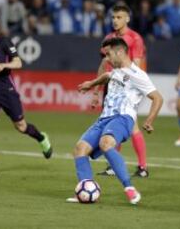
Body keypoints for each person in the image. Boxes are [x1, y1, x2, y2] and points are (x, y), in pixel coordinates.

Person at [67, 38, 163, 204]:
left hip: (123, 117)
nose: (107, 59)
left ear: (119, 52)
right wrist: (91, 84)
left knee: (106, 144)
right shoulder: (117, 71)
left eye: (109, 54)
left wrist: (149, 120)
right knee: (80, 149)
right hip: (104, 118)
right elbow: (106, 76)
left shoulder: (137, 75)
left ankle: (129, 188)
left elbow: (158, 98)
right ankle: (86, 189)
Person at [0, 14, 53, 173]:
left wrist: (3, 65)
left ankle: (41, 138)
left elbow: (18, 62)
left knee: (21, 126)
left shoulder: (4, 42)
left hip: (7, 91)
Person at [92, 4, 150, 177]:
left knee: (132, 126)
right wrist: (96, 91)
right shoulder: (109, 38)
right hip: (112, 85)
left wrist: (132, 88)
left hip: (128, 86)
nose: (115, 20)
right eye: (113, 17)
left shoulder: (135, 38)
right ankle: (113, 166)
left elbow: (137, 65)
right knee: (111, 124)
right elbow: (103, 65)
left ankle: (143, 167)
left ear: (127, 19)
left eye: (119, 17)